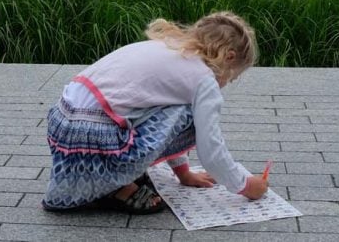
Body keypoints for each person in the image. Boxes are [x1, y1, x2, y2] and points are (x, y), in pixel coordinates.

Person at [42, 11, 269, 214]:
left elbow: (164, 111)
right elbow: (210, 147)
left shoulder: (167, 47)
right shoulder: (203, 79)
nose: (227, 81)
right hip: (91, 135)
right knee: (193, 115)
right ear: (228, 56)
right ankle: (116, 187)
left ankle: (112, 170)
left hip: (63, 124)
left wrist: (183, 173)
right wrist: (244, 185)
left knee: (182, 109)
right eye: (232, 76)